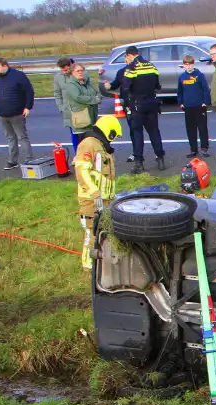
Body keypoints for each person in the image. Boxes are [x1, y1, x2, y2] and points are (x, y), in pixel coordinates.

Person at [73, 116, 123, 270]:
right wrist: (94, 192)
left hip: (104, 199)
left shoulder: (101, 145)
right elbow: (81, 170)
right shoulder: (89, 144)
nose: (113, 140)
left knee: (104, 231)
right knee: (91, 232)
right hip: (91, 200)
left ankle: (102, 261)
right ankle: (89, 267)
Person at [119, 46, 165, 173]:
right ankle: (160, 159)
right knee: (154, 132)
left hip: (138, 104)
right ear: (138, 53)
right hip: (152, 103)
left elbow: (126, 87)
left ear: (129, 55)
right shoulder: (151, 66)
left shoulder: (132, 67)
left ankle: (139, 163)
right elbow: (158, 85)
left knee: (137, 133)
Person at [0, 58, 34, 170]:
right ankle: (12, 161)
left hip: (17, 113)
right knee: (10, 138)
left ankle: (29, 159)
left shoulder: (18, 75)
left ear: (5, 66)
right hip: (2, 114)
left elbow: (29, 91)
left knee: (22, 137)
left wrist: (28, 107)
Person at [177, 54, 211, 158]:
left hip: (199, 106)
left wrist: (205, 102)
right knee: (190, 129)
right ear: (184, 65)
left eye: (190, 64)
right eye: (186, 65)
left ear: (193, 64)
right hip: (188, 106)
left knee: (202, 128)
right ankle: (193, 149)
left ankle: (204, 148)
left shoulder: (199, 75)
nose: (188, 67)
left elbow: (205, 89)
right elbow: (180, 91)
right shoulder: (182, 77)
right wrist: (181, 103)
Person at [99, 65, 134, 163]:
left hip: (142, 103)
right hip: (129, 104)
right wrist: (109, 86)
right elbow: (116, 84)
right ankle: (136, 153)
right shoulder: (122, 71)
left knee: (151, 130)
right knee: (134, 130)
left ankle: (158, 154)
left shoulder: (143, 69)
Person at [64, 64, 102, 146]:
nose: (80, 72)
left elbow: (97, 92)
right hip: (81, 118)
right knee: (84, 144)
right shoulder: (70, 84)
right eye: (78, 71)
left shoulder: (89, 81)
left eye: (82, 70)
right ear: (72, 72)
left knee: (93, 143)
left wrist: (99, 97)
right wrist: (94, 100)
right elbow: (78, 97)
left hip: (92, 117)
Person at [53, 57, 77, 154]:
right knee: (74, 134)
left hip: (80, 109)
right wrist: (61, 107)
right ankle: (77, 155)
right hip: (68, 110)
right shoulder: (58, 77)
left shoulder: (77, 73)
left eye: (66, 69)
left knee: (85, 134)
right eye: (62, 69)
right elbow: (57, 93)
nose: (64, 71)